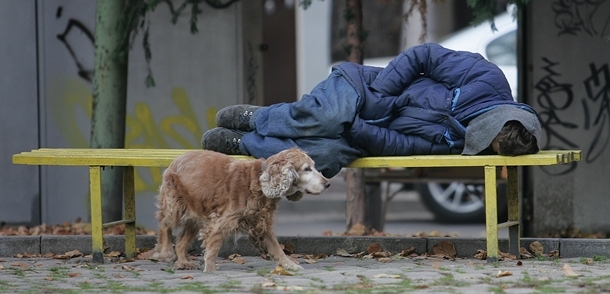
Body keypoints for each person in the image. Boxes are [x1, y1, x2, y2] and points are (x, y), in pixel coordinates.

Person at [202, 43, 541, 178]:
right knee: (327, 117)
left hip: (364, 133)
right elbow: (422, 56)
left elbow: (403, 146)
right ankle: (256, 119)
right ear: (496, 117)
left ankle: (244, 144)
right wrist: (382, 92)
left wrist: (361, 132)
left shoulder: (461, 143)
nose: (476, 143)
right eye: (484, 137)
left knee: (325, 157)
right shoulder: (485, 77)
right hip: (361, 89)